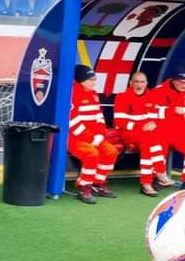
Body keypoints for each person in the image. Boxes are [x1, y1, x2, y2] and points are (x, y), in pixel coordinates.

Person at [114, 72, 173, 197]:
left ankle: (146, 183)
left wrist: (152, 124)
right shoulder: (122, 96)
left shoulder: (152, 96)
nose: (139, 84)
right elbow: (119, 122)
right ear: (131, 83)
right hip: (128, 132)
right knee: (150, 139)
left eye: (142, 82)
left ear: (146, 83)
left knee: (148, 144)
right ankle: (160, 172)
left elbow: (154, 118)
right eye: (136, 81)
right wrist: (140, 127)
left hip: (146, 135)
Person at [67, 66, 118, 204]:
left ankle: (97, 183)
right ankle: (84, 186)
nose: (94, 82)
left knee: (111, 151)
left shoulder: (94, 94)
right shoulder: (72, 94)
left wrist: (100, 134)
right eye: (90, 79)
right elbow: (71, 120)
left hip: (95, 137)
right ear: (81, 80)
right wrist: (91, 138)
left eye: (94, 79)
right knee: (92, 154)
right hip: (74, 138)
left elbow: (99, 117)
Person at [150, 68, 185, 188]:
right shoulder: (159, 90)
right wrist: (172, 111)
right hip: (161, 129)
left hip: (180, 129)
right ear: (173, 80)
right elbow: (152, 112)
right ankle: (155, 179)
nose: (184, 85)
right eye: (181, 82)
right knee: (159, 150)